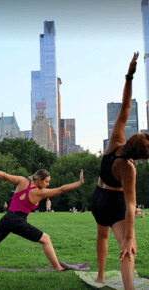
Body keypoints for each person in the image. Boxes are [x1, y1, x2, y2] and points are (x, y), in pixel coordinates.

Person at [91, 52, 145, 290]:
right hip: (112, 204)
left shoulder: (114, 141)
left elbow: (125, 106)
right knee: (126, 246)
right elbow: (131, 205)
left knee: (102, 235)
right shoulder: (128, 169)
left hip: (97, 198)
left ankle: (101, 277)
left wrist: (129, 76)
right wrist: (129, 236)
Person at [0, 167, 84, 270]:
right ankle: (58, 268)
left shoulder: (22, 181)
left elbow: (4, 176)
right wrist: (79, 183)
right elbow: (61, 189)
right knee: (46, 239)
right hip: (18, 221)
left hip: (6, 218)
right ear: (39, 179)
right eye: (47, 181)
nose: (48, 184)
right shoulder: (40, 192)